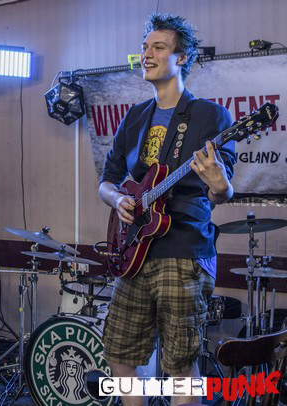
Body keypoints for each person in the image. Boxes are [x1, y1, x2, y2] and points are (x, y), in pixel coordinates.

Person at [98, 13, 236, 406]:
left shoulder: (210, 116)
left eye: (158, 47)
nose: (147, 54)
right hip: (134, 255)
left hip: (183, 251)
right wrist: (118, 200)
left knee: (180, 367)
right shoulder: (136, 116)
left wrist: (219, 184)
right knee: (118, 355)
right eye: (145, 47)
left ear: (182, 57)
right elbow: (107, 181)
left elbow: (222, 192)